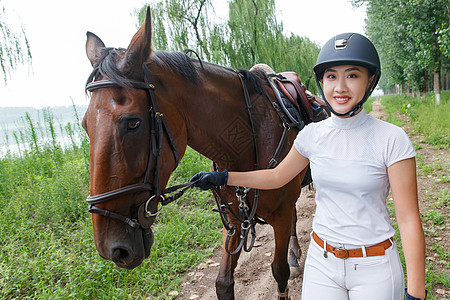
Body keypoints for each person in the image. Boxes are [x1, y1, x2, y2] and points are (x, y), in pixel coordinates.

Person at [191, 33, 427, 300]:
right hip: (322, 263)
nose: (340, 87)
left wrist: (416, 292)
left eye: (352, 76)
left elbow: (408, 220)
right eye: (331, 76)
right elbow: (277, 176)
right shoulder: (311, 135)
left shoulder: (392, 139)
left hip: (374, 265)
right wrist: (224, 177)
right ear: (322, 81)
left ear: (370, 80)